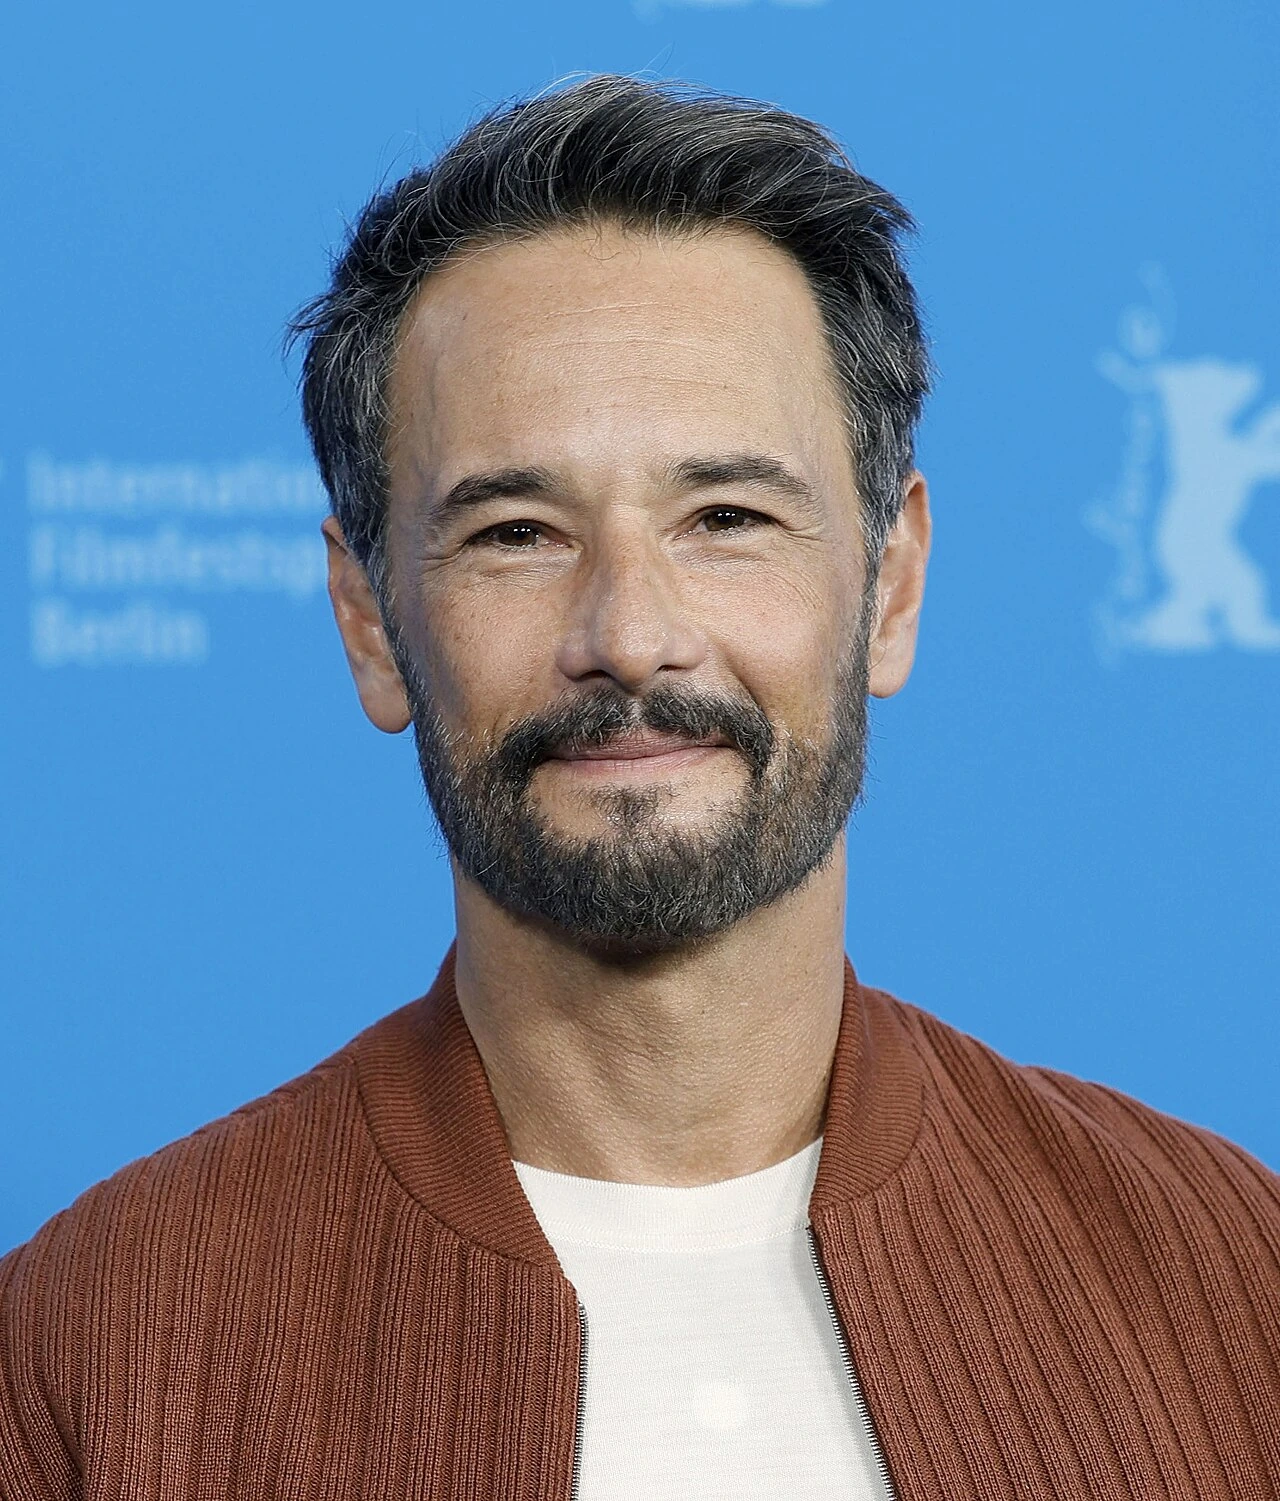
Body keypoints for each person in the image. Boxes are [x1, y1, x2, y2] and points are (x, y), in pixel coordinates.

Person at [2, 75, 1277, 1501]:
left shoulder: (1237, 1278)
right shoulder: (87, 1351)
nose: (629, 634)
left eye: (726, 519)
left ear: (894, 586)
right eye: (517, 532)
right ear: (369, 621)